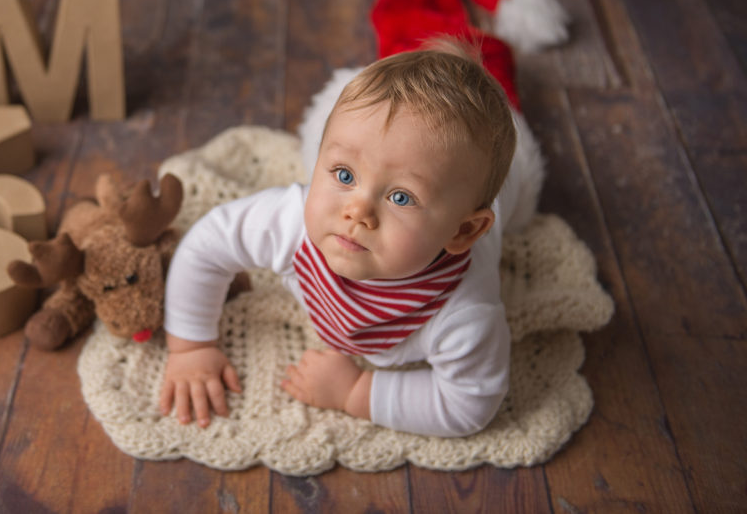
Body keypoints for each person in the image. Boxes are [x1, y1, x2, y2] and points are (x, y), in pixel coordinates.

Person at [157, 38, 538, 437]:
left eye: (401, 197)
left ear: (463, 232)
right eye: (343, 174)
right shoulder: (290, 223)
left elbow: (469, 403)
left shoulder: (464, 315)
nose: (357, 211)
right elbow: (206, 245)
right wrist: (191, 345)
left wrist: (357, 391)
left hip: (508, 187)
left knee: (517, 174)